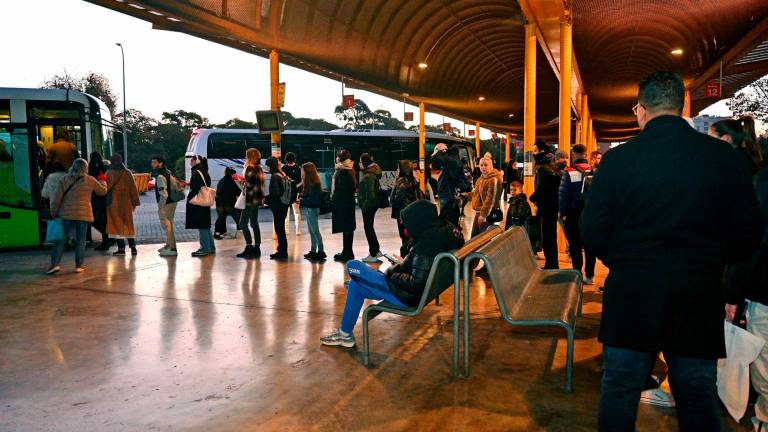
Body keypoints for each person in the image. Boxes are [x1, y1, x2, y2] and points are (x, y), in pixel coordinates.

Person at [580, 71, 763, 432]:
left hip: (632, 292)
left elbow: (593, 230)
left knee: (620, 388)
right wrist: (713, 261)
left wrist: (623, 260)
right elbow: (750, 232)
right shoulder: (723, 159)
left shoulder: (619, 160)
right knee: (696, 392)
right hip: (698, 292)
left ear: (640, 110)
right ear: (680, 107)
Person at [320, 200, 464, 347]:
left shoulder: (426, 246)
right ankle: (345, 334)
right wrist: (404, 264)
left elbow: (416, 284)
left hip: (405, 295)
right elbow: (420, 268)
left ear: (418, 221)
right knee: (356, 286)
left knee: (352, 266)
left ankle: (366, 280)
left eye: (408, 223)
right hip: (408, 290)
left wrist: (392, 275)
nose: (405, 227)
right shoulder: (439, 235)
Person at [48, 158, 107, 274]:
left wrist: (53, 211)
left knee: (60, 240)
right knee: (81, 241)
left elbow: (57, 197)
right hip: (83, 215)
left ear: (73, 167)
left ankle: (55, 264)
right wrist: (103, 182)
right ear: (86, 168)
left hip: (66, 215)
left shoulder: (64, 179)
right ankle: (79, 266)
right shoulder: (90, 180)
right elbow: (102, 191)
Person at [558, 144, 596, 284]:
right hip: (588, 214)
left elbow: (563, 194)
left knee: (575, 246)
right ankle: (590, 276)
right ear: (586, 155)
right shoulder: (593, 171)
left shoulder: (568, 172)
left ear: (573, 154)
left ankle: (577, 274)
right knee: (589, 246)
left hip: (573, 214)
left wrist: (563, 213)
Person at [529, 141, 561, 269]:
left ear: (542, 151)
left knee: (548, 237)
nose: (533, 154)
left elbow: (543, 187)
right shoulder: (552, 165)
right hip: (552, 206)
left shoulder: (543, 168)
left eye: (535, 151)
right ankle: (552, 263)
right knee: (551, 236)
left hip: (547, 207)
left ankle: (551, 264)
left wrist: (533, 197)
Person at [105, 154, 140, 256]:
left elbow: (105, 188)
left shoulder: (109, 173)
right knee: (128, 224)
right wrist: (135, 202)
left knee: (116, 225)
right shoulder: (127, 172)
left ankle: (121, 249)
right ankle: (133, 248)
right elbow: (133, 188)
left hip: (113, 203)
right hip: (126, 202)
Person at [237, 148, 265, 259]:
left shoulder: (249, 167)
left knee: (242, 223)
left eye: (246, 156)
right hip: (257, 199)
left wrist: (241, 181)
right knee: (254, 223)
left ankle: (249, 247)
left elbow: (249, 184)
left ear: (250, 157)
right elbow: (259, 184)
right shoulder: (259, 168)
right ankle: (257, 248)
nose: (245, 157)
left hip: (250, 199)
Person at [186, 155, 215, 257]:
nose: (190, 163)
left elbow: (196, 187)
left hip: (199, 202)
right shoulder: (204, 171)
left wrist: (190, 197)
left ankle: (204, 249)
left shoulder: (197, 172)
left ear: (196, 161)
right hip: (205, 201)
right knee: (206, 225)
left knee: (202, 225)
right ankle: (211, 247)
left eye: (191, 161)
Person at [390, 160, 423, 250]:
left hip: (403, 213)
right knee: (410, 236)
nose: (397, 170)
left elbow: (398, 198)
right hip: (411, 212)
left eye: (398, 168)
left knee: (404, 236)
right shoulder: (411, 179)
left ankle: (406, 256)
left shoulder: (401, 180)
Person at [331, 149, 357, 262]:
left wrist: (334, 200)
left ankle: (347, 253)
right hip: (348, 203)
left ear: (340, 159)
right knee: (348, 228)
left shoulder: (343, 171)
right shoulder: (349, 169)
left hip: (343, 204)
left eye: (337, 157)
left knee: (346, 228)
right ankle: (347, 251)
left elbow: (340, 189)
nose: (336, 159)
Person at [357, 153, 384, 263]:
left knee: (368, 229)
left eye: (360, 161)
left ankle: (373, 253)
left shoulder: (369, 176)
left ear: (364, 163)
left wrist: (364, 206)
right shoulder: (372, 173)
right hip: (372, 205)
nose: (359, 163)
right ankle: (376, 251)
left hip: (369, 206)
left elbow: (370, 195)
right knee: (370, 228)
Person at [430, 143, 464, 227]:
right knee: (453, 216)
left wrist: (438, 152)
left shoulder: (447, 161)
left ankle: (448, 233)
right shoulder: (455, 162)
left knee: (445, 219)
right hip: (452, 193)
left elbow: (433, 162)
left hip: (446, 193)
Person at [151, 156, 178, 257]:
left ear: (160, 163)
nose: (152, 164)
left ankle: (172, 248)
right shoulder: (168, 172)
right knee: (169, 224)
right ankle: (169, 245)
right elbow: (175, 186)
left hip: (166, 204)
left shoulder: (160, 176)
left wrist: (160, 207)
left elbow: (164, 194)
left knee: (167, 226)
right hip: (173, 202)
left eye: (154, 162)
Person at [470, 155, 503, 237]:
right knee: (475, 236)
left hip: (488, 213)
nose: (483, 167)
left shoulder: (493, 179)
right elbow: (475, 194)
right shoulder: (480, 178)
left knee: (484, 238)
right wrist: (464, 195)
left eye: (485, 165)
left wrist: (483, 215)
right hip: (479, 211)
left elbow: (491, 199)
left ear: (491, 166)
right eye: (481, 165)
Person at [300, 162, 326, 262]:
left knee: (315, 231)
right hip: (310, 209)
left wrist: (302, 200)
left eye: (303, 170)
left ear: (307, 172)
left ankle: (320, 251)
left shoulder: (314, 184)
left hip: (312, 209)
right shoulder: (312, 182)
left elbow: (314, 201)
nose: (302, 172)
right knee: (312, 231)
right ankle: (313, 250)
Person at [265, 156, 289, 260]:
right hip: (283, 205)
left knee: (279, 229)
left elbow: (275, 193)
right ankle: (282, 250)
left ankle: (282, 252)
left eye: (268, 166)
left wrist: (266, 198)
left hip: (278, 206)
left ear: (271, 166)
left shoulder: (275, 176)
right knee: (281, 229)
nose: (267, 168)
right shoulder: (282, 174)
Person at [87, 152, 110, 250]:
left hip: (93, 197)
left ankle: (106, 239)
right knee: (103, 219)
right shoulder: (105, 167)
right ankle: (106, 239)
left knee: (93, 219)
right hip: (104, 196)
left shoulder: (90, 168)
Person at [214, 167, 241, 240]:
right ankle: (240, 230)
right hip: (229, 204)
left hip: (219, 204)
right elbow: (238, 191)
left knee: (220, 219)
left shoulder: (221, 181)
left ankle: (217, 233)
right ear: (231, 174)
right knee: (238, 217)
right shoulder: (231, 181)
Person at [283, 152, 302, 236]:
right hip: (291, 193)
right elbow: (301, 182)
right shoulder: (297, 168)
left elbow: (301, 181)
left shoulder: (285, 168)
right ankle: (294, 230)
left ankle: (293, 230)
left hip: (290, 193)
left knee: (291, 212)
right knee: (293, 212)